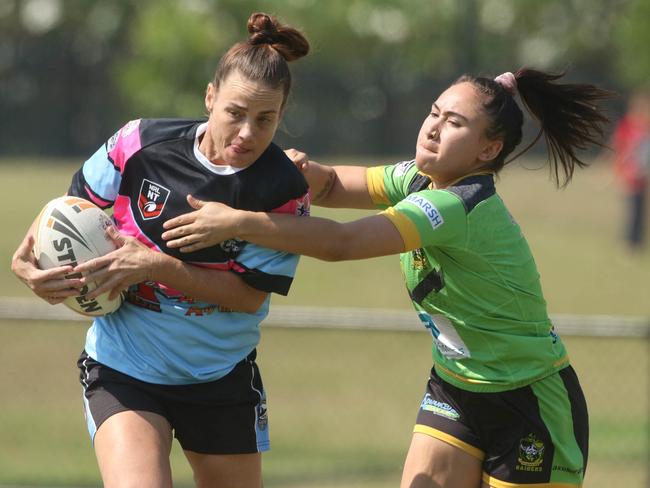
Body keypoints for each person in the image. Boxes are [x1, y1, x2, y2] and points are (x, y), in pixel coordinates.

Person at [161, 69, 611, 487]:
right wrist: (296, 172)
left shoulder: (457, 206)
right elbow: (334, 185)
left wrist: (238, 221)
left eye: (454, 122)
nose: (433, 127)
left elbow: (342, 244)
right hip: (455, 387)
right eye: (434, 113)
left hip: (528, 400)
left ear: (488, 150)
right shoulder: (419, 179)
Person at [11, 12, 310, 488]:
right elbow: (71, 207)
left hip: (220, 377)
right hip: (123, 367)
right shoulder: (140, 142)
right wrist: (25, 261)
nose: (247, 133)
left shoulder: (282, 189)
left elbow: (249, 297)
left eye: (265, 119)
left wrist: (155, 265)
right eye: (235, 112)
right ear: (210, 98)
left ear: (281, 116)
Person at [612, 90, 650, 251]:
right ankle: (630, 241)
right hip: (630, 172)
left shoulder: (645, 126)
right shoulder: (628, 124)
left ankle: (637, 240)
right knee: (633, 207)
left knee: (640, 208)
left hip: (642, 173)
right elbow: (620, 146)